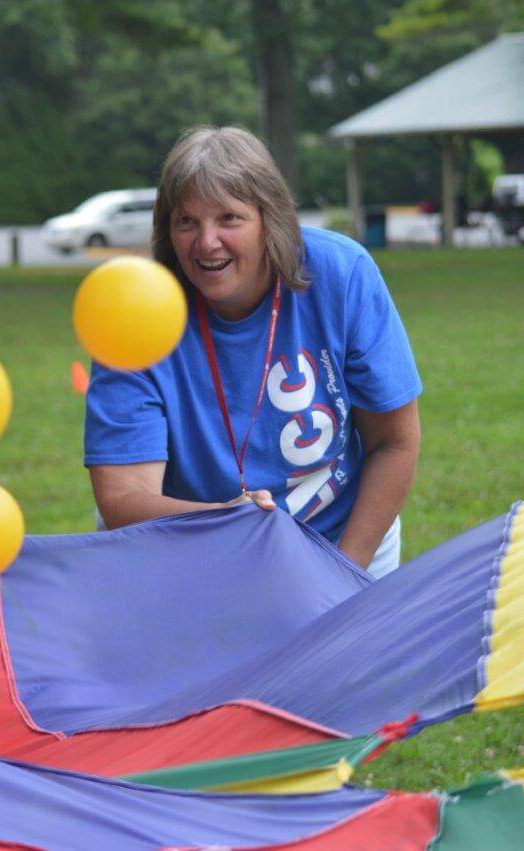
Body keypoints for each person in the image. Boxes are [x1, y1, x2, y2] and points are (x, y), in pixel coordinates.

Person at [84, 126, 422, 578]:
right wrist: (226, 521)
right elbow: (124, 496)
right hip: (191, 552)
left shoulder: (341, 273)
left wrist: (345, 576)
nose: (206, 242)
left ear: (271, 220)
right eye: (187, 221)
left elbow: (394, 441)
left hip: (343, 538)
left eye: (229, 218)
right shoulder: (132, 313)